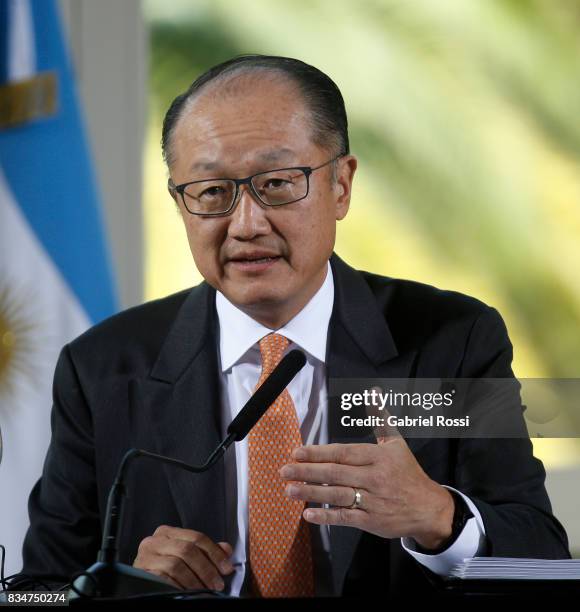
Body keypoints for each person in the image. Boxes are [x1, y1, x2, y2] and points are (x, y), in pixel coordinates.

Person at [18, 55, 569, 598]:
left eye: (278, 183)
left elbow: (539, 559)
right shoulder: (103, 368)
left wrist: (437, 516)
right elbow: (33, 592)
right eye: (212, 192)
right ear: (179, 203)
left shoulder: (453, 341)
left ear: (341, 186)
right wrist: (115, 588)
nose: (246, 224)